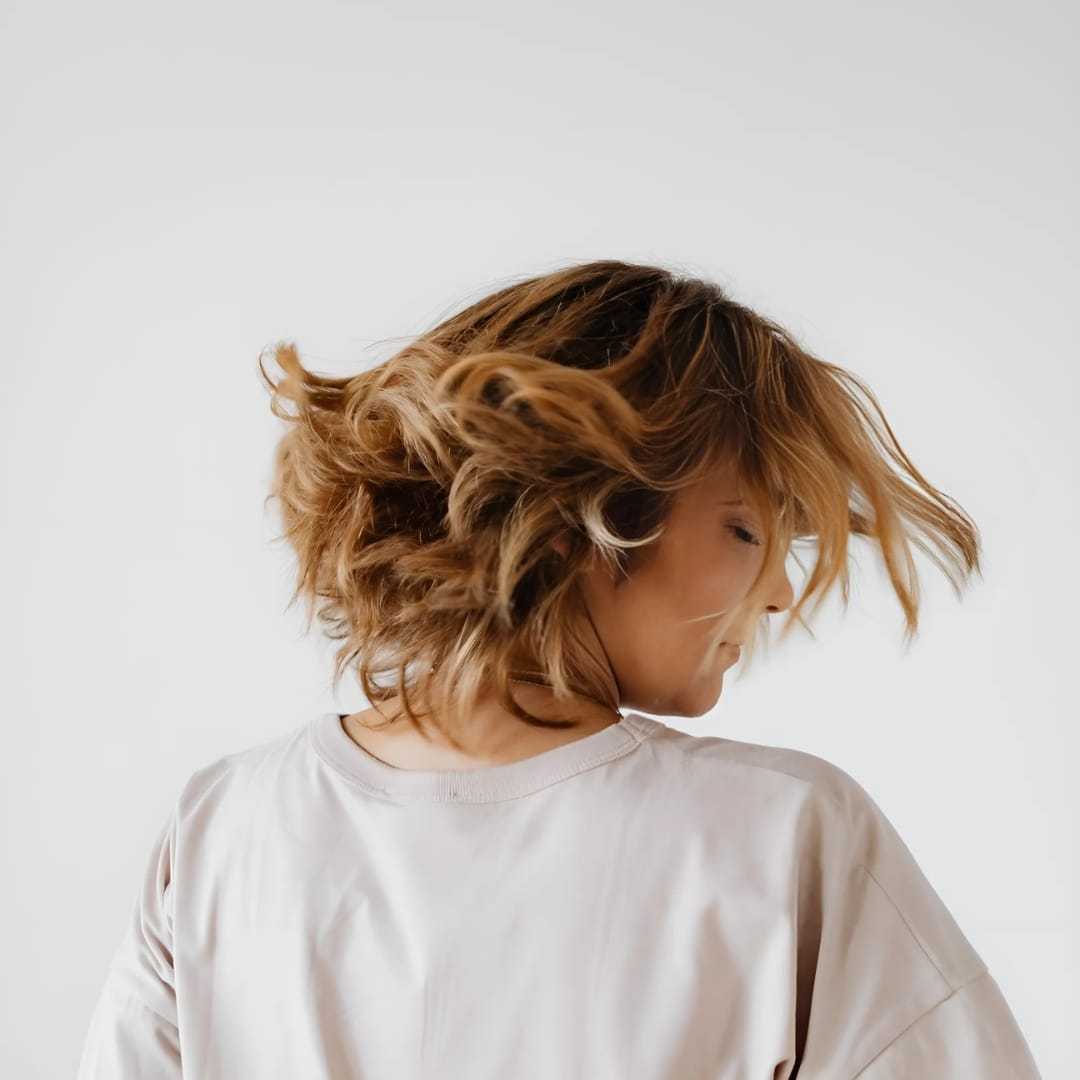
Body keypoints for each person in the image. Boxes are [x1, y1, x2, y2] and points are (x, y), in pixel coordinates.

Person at [76, 259, 1043, 1077]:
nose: (779, 592)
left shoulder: (222, 830)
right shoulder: (781, 836)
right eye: (749, 527)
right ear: (589, 513)